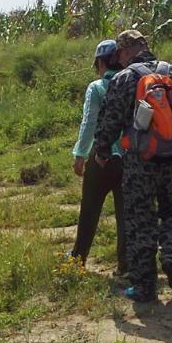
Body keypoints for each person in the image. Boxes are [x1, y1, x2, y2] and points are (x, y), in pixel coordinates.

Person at [91, 29, 172, 302]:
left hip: (139, 162)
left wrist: (102, 151)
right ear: (146, 46)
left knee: (140, 218)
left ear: (123, 52)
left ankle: (144, 286)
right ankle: (171, 255)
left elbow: (109, 119)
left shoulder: (124, 78)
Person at [69, 39, 126, 274]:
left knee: (90, 211)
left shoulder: (96, 88)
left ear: (100, 62)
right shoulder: (132, 83)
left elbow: (89, 123)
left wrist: (80, 154)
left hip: (101, 157)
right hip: (128, 158)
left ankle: (77, 261)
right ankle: (126, 265)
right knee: (125, 214)